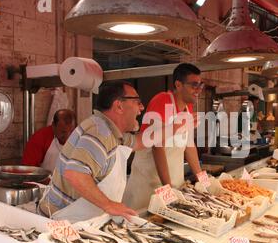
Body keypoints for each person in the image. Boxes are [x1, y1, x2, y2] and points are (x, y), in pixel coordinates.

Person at [38, 82, 189, 222]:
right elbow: (75, 174)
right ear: (119, 106)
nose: (141, 108)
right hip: (62, 222)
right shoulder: (99, 132)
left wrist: (175, 128)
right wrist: (109, 205)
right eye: (137, 102)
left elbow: (141, 140)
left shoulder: (113, 132)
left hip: (81, 221)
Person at [124, 63, 204, 211]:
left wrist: (203, 180)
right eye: (194, 85)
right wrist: (167, 188)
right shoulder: (162, 101)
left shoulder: (188, 107)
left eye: (200, 85)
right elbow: (157, 146)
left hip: (173, 184)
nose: (198, 90)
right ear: (178, 85)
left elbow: (189, 145)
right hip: (148, 184)